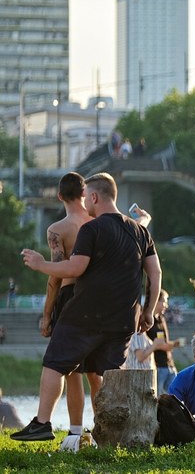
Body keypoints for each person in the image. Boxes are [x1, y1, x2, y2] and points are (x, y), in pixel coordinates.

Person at [13, 173, 161, 442]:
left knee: (56, 363)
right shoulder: (139, 230)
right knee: (107, 375)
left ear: (92, 197)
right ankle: (108, 432)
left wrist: (40, 263)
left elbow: (75, 267)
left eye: (88, 198)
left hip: (85, 313)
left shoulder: (91, 229)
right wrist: (149, 310)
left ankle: (43, 424)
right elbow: (155, 273)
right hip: (124, 318)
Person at [35, 173, 95, 442]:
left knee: (70, 371)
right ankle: (103, 429)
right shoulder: (99, 223)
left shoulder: (58, 230)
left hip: (69, 297)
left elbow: (56, 276)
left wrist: (47, 315)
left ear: (59, 196)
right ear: (85, 193)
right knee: (96, 372)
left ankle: (74, 432)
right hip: (98, 298)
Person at [137, 289, 180, 392]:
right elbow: (154, 344)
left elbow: (164, 343)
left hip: (169, 365)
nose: (166, 305)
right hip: (157, 366)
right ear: (156, 300)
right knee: (158, 399)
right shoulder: (145, 321)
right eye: (164, 301)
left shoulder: (161, 319)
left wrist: (173, 344)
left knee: (175, 397)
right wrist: (162, 345)